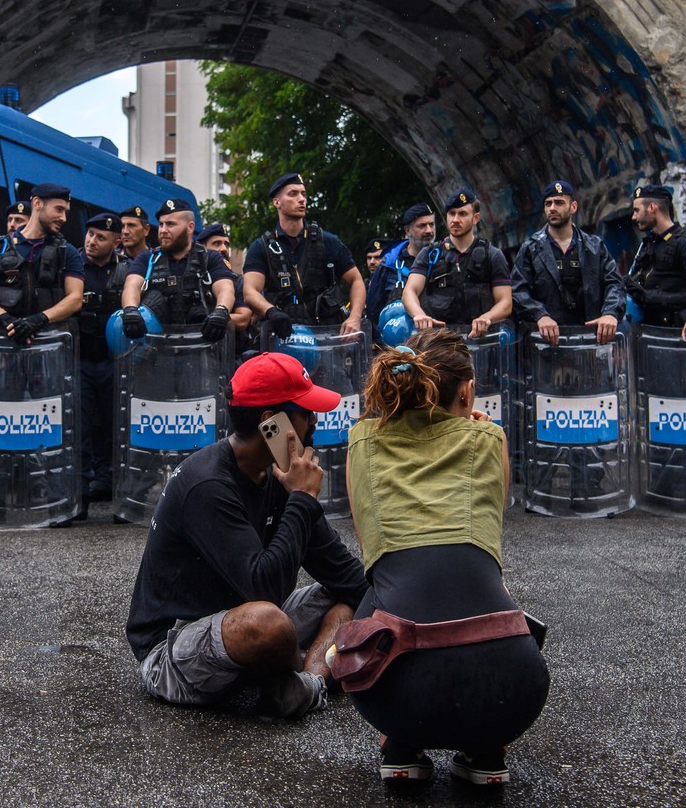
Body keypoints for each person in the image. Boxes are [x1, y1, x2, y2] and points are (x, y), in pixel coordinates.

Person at [341, 330, 549, 786]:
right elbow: (489, 539)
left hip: (393, 696)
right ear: (468, 390)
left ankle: (401, 745)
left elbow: (374, 556)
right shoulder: (489, 438)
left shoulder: (361, 442)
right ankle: (486, 749)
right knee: (483, 582)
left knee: (383, 588)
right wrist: (482, 431)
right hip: (513, 693)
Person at [125, 352, 368, 717]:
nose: (314, 423)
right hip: (175, 649)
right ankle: (288, 678)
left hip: (249, 617)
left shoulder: (281, 474)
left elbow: (345, 574)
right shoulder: (207, 484)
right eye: (305, 413)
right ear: (271, 424)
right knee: (266, 623)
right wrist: (301, 500)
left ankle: (307, 683)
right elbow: (264, 590)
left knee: (346, 598)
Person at [243, 173, 365, 339]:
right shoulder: (261, 247)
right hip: (281, 336)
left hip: (326, 337)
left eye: (303, 194)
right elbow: (250, 291)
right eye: (293, 194)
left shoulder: (328, 241)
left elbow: (356, 280)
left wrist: (354, 318)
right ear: (276, 202)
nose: (301, 199)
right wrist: (271, 311)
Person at [510, 179, 625, 345]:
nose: (552, 208)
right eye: (548, 204)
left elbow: (615, 283)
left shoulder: (594, 247)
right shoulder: (530, 249)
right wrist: (540, 315)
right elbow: (517, 290)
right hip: (545, 345)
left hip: (591, 341)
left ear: (573, 207)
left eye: (559, 203)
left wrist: (610, 313)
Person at [0, 182, 84, 342]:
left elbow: (76, 298)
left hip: (49, 346)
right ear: (37, 203)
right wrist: (4, 318)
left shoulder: (66, 251)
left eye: (66, 212)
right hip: (1, 344)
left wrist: (39, 319)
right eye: (59, 209)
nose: (63, 218)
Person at [401, 188, 512, 338]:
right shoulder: (430, 254)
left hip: (480, 342)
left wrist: (488, 317)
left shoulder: (492, 255)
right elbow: (409, 291)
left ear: (476, 218)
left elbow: (505, 302)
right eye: (451, 213)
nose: (455, 220)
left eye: (462, 214)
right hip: (438, 342)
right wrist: (419, 315)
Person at [120, 197, 235, 340]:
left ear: (190, 227)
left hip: (201, 347)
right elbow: (132, 286)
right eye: (161, 224)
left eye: (170, 224)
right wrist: (130, 309)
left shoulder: (208, 258)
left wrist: (221, 311)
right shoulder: (148, 258)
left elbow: (226, 288)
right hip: (158, 349)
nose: (163, 230)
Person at [75, 211, 126, 517]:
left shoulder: (126, 270)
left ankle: (114, 489)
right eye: (90, 234)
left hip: (113, 362)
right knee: (80, 428)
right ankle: (78, 497)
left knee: (114, 427)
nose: (92, 241)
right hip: (81, 359)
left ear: (116, 241)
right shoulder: (73, 266)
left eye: (101, 237)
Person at [626, 183, 686, 339]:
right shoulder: (648, 245)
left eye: (637, 210)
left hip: (675, 334)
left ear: (652, 207)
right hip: (647, 334)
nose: (633, 216)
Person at [366, 203, 436, 329]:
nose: (429, 230)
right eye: (422, 226)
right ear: (407, 230)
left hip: (436, 337)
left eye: (431, 224)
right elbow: (373, 310)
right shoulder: (389, 264)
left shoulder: (443, 257)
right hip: (397, 339)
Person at [196, 221, 253, 337]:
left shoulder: (237, 281)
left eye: (226, 244)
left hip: (228, 347)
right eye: (217, 243)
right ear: (202, 249)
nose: (224, 249)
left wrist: (212, 317)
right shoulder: (194, 276)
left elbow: (243, 319)